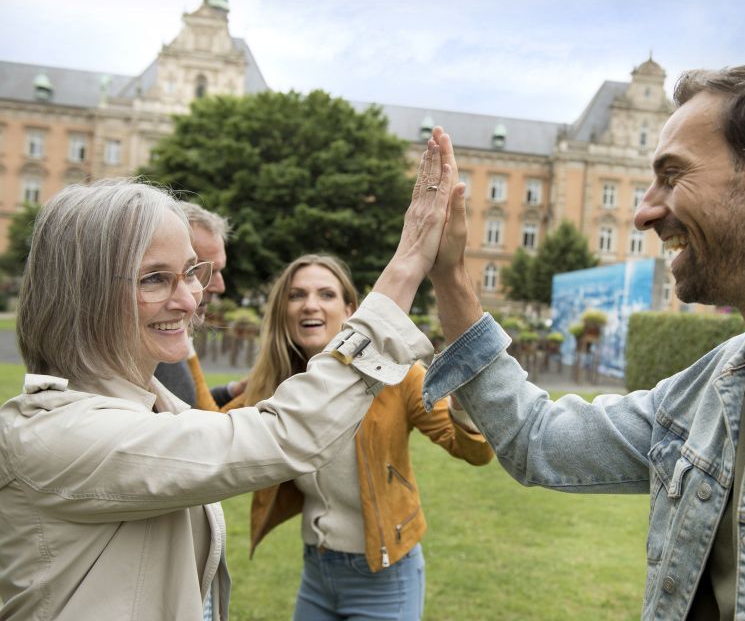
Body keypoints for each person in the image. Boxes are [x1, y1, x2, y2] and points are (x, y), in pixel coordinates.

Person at [420, 59, 745, 619]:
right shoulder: (711, 388)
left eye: (673, 175)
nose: (644, 212)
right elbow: (539, 439)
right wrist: (452, 278)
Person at [0, 133, 460, 620]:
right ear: (82, 292)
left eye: (190, 272)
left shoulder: (151, 406)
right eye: (155, 278)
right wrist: (409, 263)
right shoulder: (60, 434)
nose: (190, 298)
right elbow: (287, 433)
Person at [219, 254, 492, 620]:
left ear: (351, 309)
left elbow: (474, 451)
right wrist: (192, 361)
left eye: (326, 294)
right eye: (296, 295)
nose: (310, 304)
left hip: (384, 575)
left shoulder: (397, 375)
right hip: (317, 570)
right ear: (282, 309)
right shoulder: (279, 385)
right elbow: (209, 433)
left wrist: (463, 408)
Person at [154, 201, 240, 409]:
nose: (220, 286)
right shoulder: (154, 343)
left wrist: (232, 390)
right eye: (195, 270)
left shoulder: (170, 338)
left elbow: (185, 403)